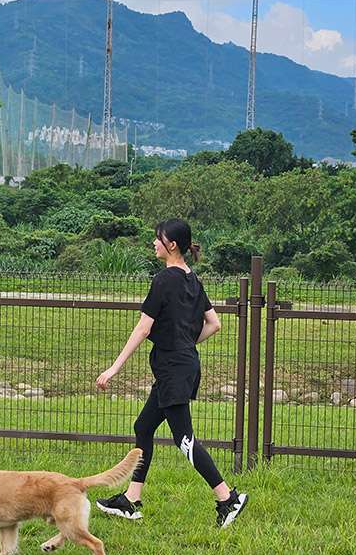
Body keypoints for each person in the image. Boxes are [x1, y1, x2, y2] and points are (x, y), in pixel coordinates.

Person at [95, 218, 248, 527]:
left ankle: (228, 499)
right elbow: (214, 324)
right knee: (143, 426)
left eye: (158, 238)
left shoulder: (164, 280)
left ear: (172, 245)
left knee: (184, 439)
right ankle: (131, 500)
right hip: (183, 366)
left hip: (173, 370)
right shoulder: (193, 280)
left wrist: (114, 368)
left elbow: (143, 328)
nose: (154, 242)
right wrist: (185, 343)